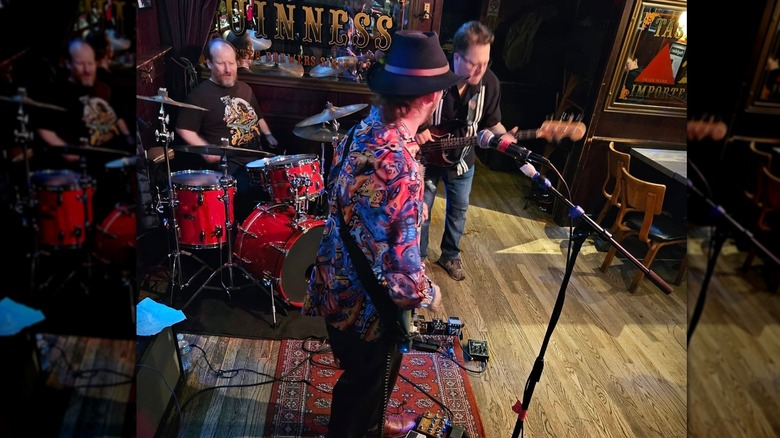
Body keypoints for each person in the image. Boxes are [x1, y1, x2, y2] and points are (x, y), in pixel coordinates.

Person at [302, 31, 455, 438]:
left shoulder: (359, 133)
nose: (440, 98)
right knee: (363, 391)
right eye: (439, 91)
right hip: (369, 309)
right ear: (427, 97)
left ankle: (369, 418)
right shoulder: (403, 165)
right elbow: (404, 282)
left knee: (359, 380)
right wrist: (430, 294)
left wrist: (405, 212)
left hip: (334, 284)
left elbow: (346, 202)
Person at [415, 20, 516, 281]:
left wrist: (506, 138)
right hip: (425, 158)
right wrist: (419, 128)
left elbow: (492, 123)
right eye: (474, 63)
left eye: (486, 62)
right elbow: (410, 114)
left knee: (458, 212)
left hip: (462, 160)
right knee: (421, 212)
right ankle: (419, 259)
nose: (481, 69)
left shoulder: (490, 84)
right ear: (456, 57)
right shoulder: (434, 77)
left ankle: (450, 255)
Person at [175, 37, 279, 221]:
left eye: (231, 63)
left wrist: (269, 135)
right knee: (250, 193)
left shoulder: (245, 89)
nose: (228, 69)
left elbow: (258, 116)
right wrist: (206, 151)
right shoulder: (199, 96)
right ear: (208, 63)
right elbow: (184, 128)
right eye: (221, 64)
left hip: (258, 160)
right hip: (232, 166)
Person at [32, 36, 135, 220]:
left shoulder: (103, 88)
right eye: (80, 64)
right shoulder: (56, 92)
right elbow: (43, 128)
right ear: (68, 64)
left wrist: (129, 139)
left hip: (114, 162)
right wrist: (65, 150)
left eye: (91, 63)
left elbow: (118, 117)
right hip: (84, 168)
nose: (88, 70)